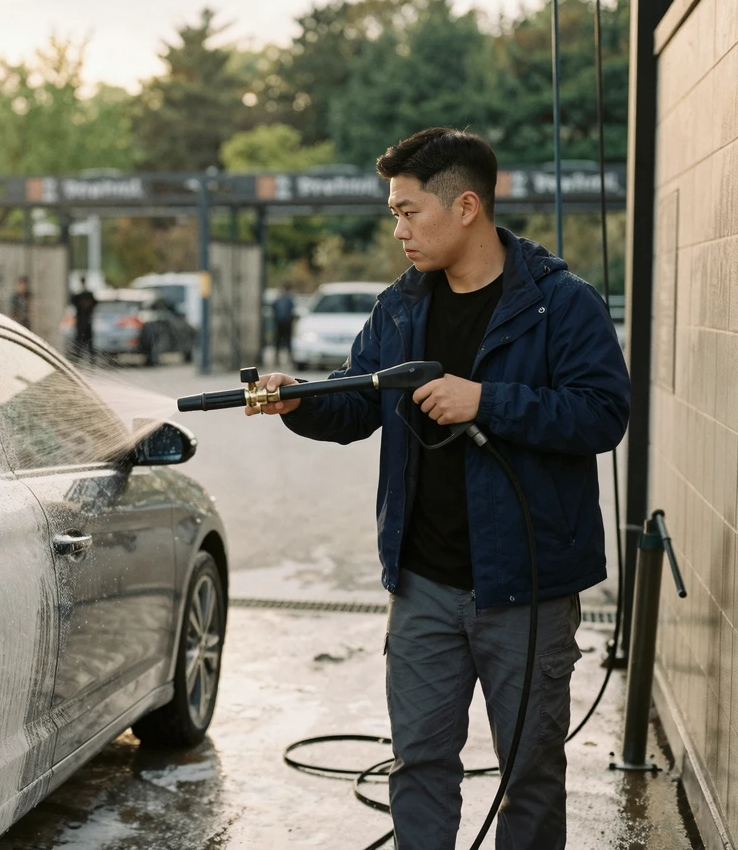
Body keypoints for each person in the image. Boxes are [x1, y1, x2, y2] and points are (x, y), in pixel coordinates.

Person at [246, 127, 629, 850]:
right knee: (419, 766)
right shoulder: (400, 309)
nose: (398, 231)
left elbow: (604, 413)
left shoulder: (561, 305)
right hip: (422, 585)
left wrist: (485, 400)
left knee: (531, 774)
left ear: (466, 207)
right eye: (394, 214)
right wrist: (299, 401)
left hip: (530, 587)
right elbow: (356, 403)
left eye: (408, 211)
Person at [70, 277, 97, 363]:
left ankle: (90, 360)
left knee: (88, 344)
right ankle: (77, 359)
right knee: (80, 344)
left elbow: (94, 304)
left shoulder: (88, 295)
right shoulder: (78, 296)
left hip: (86, 323)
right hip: (81, 323)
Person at [271, 283, 296, 366]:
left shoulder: (279, 298)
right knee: (287, 340)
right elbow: (292, 310)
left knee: (279, 340)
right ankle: (288, 359)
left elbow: (273, 307)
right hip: (286, 322)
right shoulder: (289, 299)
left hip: (279, 322)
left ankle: (277, 359)